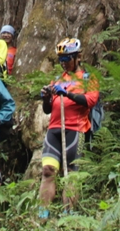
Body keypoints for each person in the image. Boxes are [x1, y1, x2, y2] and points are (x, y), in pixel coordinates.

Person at [39, 38, 98, 210]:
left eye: (66, 59)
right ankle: (43, 214)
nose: (63, 63)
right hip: (54, 129)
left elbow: (90, 100)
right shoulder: (58, 79)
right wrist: (46, 98)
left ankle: (69, 213)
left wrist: (68, 94)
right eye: (60, 59)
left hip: (75, 129)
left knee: (71, 174)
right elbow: (47, 109)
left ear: (77, 57)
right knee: (48, 170)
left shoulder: (88, 78)